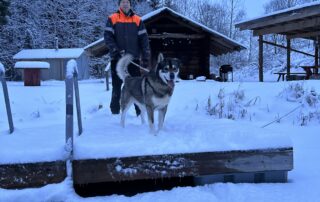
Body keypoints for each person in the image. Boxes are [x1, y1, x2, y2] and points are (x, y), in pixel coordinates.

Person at [104, 0, 151, 115]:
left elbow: (144, 39)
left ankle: (139, 113)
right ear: (119, 4)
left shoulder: (137, 20)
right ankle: (115, 112)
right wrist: (115, 50)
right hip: (117, 59)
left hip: (133, 59)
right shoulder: (112, 18)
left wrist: (146, 55)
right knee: (116, 85)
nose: (125, 4)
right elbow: (107, 37)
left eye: (127, 2)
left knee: (136, 86)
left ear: (130, 5)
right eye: (123, 2)